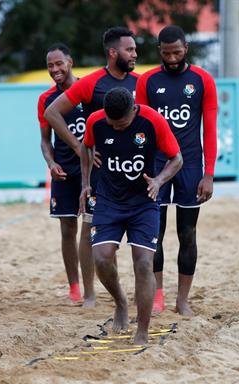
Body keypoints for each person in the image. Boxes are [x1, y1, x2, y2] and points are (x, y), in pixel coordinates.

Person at [43, 27, 139, 306]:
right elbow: (52, 114)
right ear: (113, 52)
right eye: (129, 49)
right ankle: (88, 293)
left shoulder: (140, 83)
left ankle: (126, 292)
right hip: (99, 172)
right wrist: (79, 145)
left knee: (131, 231)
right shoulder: (92, 83)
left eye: (134, 49)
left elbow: (150, 122)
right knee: (88, 228)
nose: (134, 54)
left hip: (132, 169)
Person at [80, 87, 182, 344]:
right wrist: (85, 182)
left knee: (144, 263)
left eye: (121, 123)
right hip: (108, 200)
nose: (115, 128)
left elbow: (177, 158)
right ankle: (121, 302)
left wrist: (159, 181)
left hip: (143, 202)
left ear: (133, 110)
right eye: (111, 123)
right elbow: (85, 147)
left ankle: (142, 331)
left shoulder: (152, 121)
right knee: (101, 259)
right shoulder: (96, 121)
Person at [135, 25, 218, 316]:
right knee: (154, 232)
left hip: (191, 165)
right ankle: (157, 297)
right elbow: (141, 128)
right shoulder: (147, 81)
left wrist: (209, 174)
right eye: (167, 53)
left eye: (177, 52)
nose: (172, 58)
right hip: (157, 166)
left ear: (187, 48)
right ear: (160, 51)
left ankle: (182, 300)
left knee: (188, 232)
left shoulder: (203, 80)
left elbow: (210, 131)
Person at [37, 43, 93, 305]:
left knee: (93, 227)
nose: (55, 69)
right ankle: (74, 288)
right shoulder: (46, 100)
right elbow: (45, 141)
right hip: (64, 172)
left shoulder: (89, 90)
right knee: (67, 228)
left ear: (70, 62)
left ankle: (95, 285)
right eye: (50, 65)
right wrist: (50, 163)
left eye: (59, 64)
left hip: (92, 169)